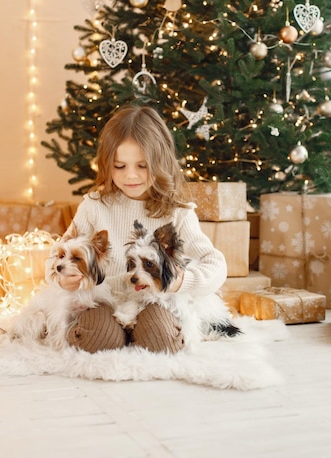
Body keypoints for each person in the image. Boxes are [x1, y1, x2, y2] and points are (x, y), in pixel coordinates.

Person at [57, 105, 228, 354]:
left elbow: (215, 264)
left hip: (152, 302)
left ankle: (138, 333)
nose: (131, 176)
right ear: (107, 164)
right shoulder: (94, 204)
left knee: (162, 341)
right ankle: (108, 334)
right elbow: (59, 253)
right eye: (119, 166)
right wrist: (66, 278)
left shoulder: (178, 212)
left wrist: (183, 281)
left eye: (142, 165)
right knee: (95, 340)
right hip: (104, 300)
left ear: (159, 162)